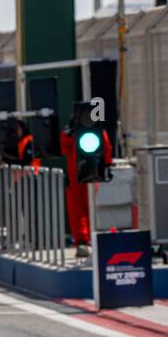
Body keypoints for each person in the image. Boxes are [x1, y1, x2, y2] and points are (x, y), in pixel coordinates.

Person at [59, 104, 112, 258]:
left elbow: (63, 146)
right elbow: (107, 148)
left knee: (79, 210)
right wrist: (107, 166)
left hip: (81, 175)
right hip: (90, 175)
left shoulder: (71, 131)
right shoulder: (95, 130)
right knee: (85, 209)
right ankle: (86, 239)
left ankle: (84, 240)